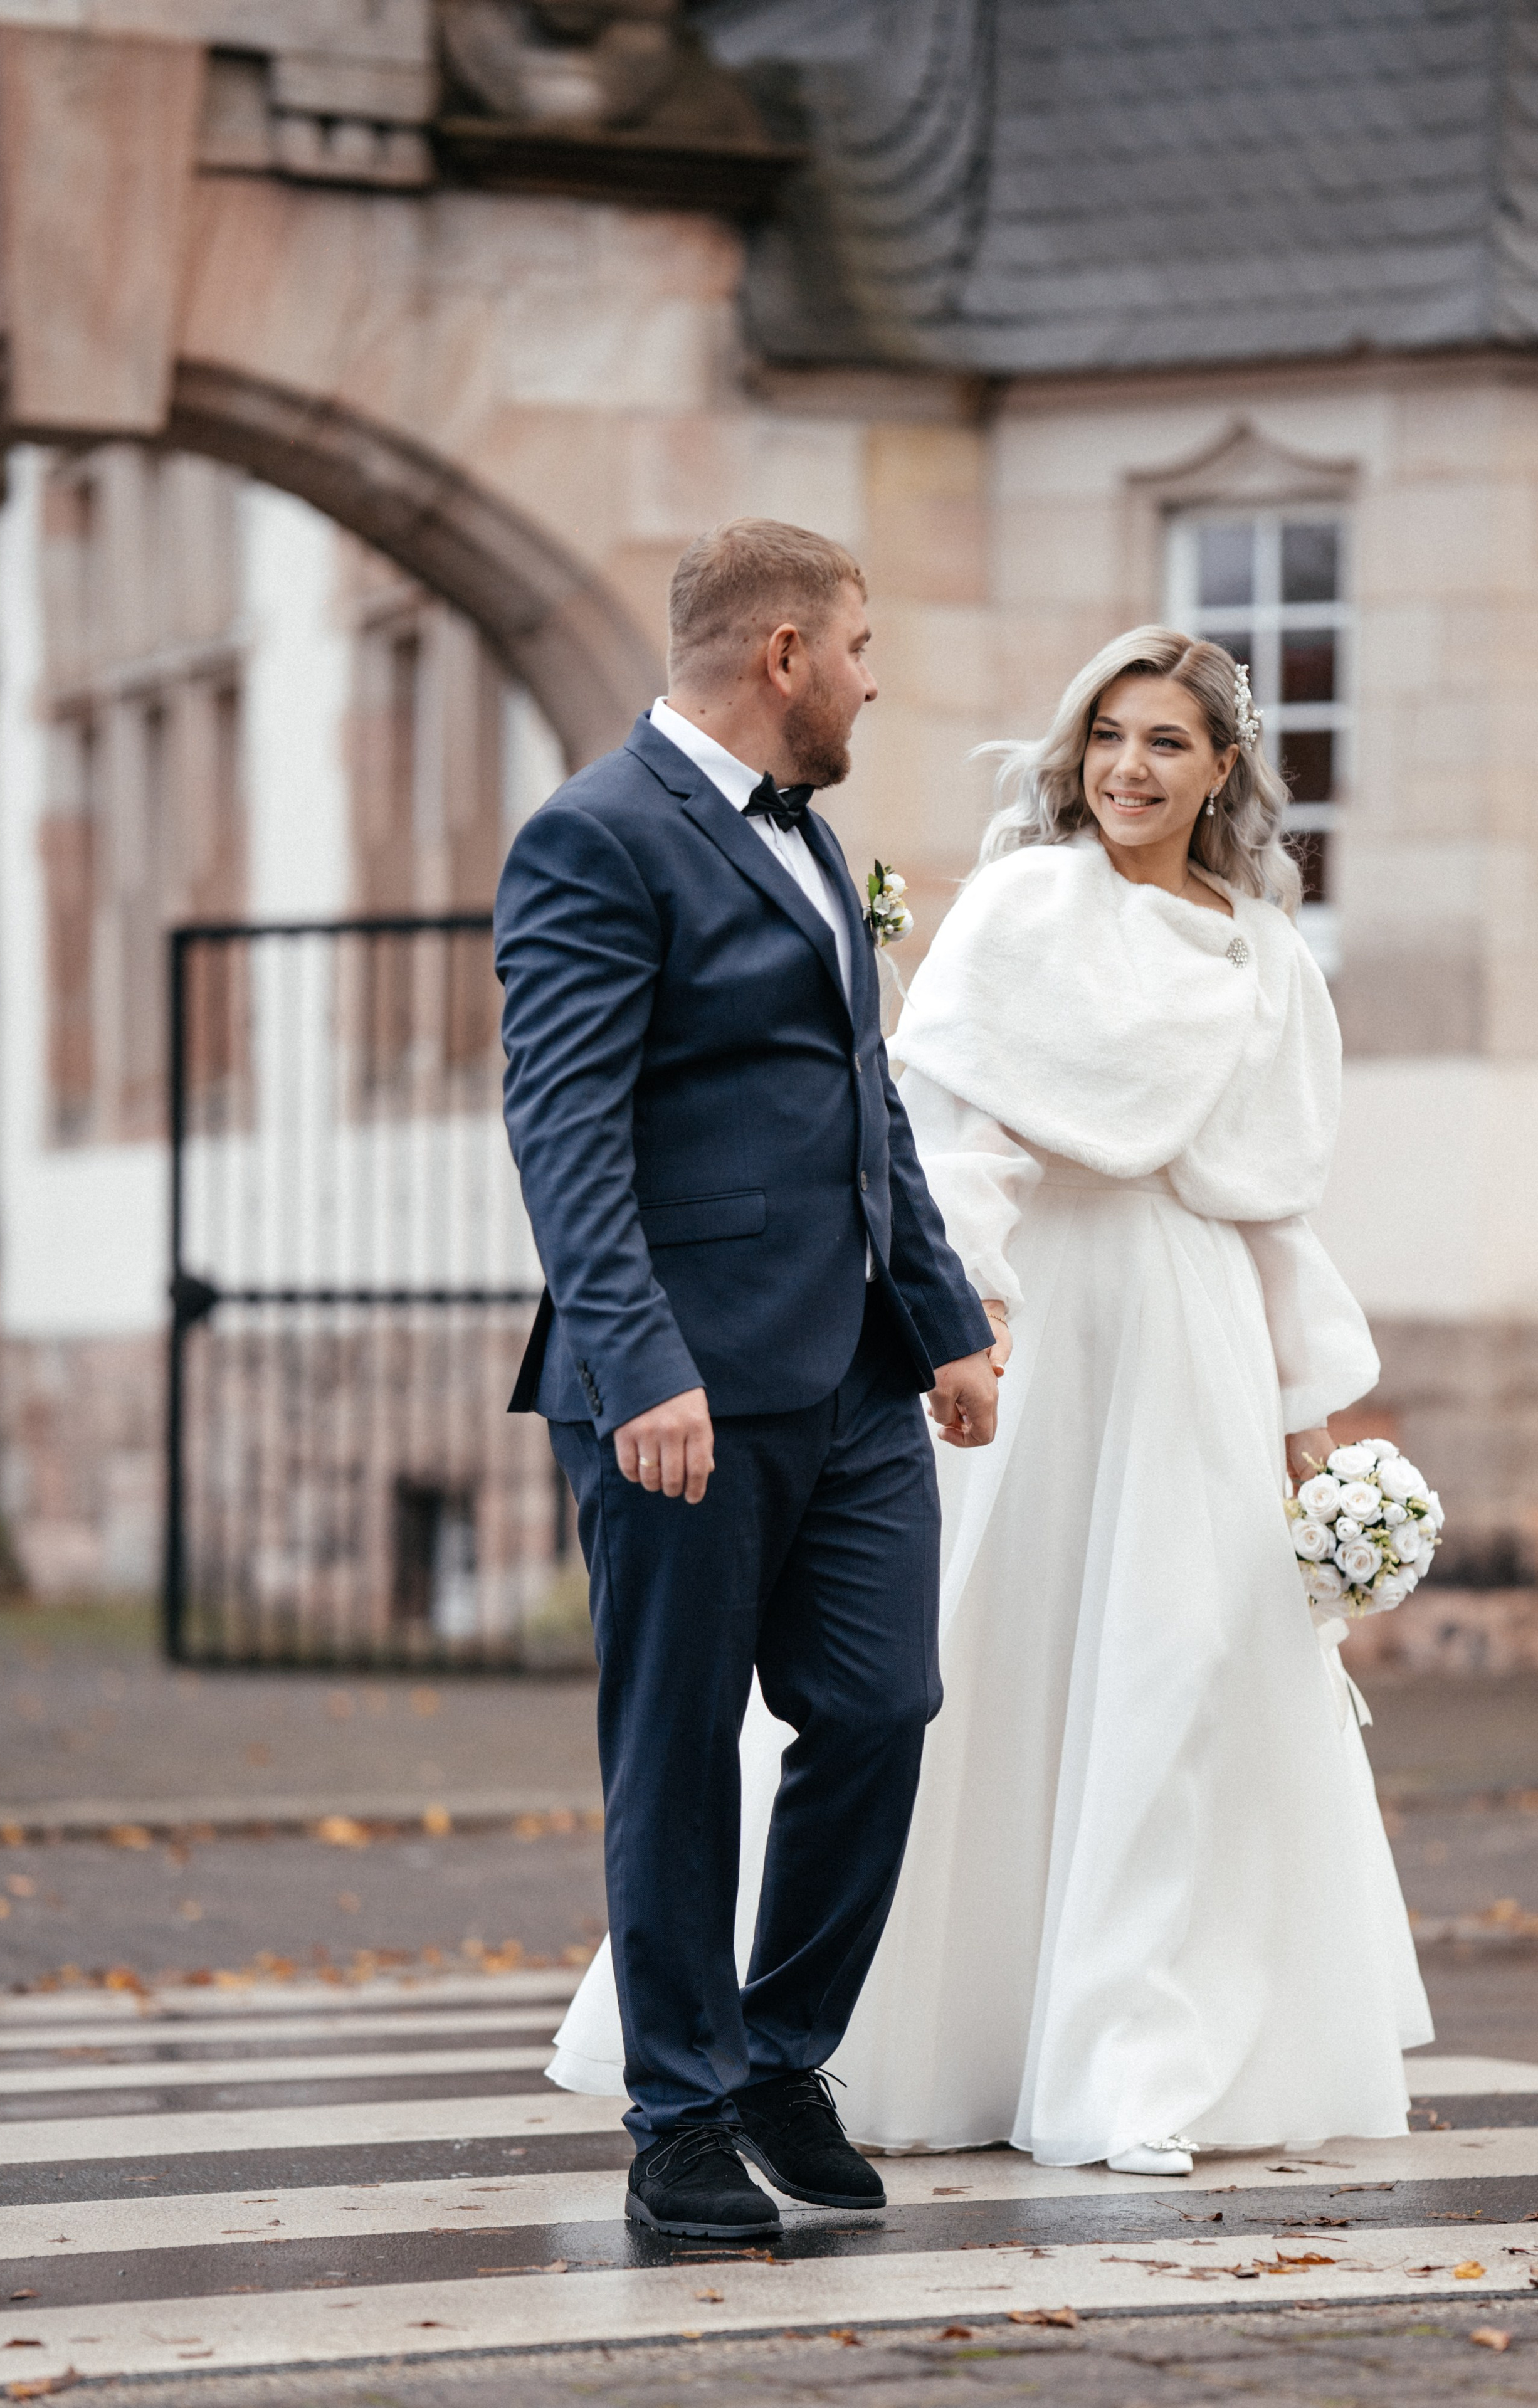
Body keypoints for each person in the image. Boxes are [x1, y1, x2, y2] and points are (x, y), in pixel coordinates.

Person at [550, 624, 1431, 2177]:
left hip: (1191, 1335)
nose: (1126, 769)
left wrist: (1308, 1411)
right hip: (1027, 1334)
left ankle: (1126, 2058)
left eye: (1163, 743)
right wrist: (969, 1312)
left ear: (1221, 768)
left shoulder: (1266, 955)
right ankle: (845, 2044)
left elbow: (1272, 1204)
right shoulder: (1025, 906)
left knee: (1176, 1668)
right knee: (953, 1674)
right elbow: (941, 1131)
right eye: (1106, 736)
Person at [495, 518, 999, 2238]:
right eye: (858, 647)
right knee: (678, 1750)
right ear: (783, 653)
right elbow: (565, 1131)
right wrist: (639, 1363)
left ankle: (782, 2052)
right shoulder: (593, 836)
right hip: (678, 1396)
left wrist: (941, 1319)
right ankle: (682, 2116)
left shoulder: (814, 837)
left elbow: (867, 1107)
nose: (871, 680)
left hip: (852, 1378)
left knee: (879, 1709)